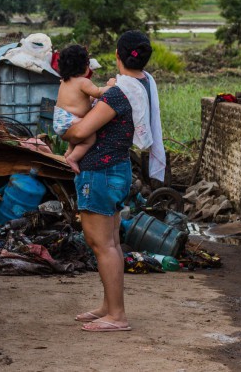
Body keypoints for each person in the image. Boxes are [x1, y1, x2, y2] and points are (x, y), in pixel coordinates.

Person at [62, 30, 166, 333]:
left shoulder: (120, 92)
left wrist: (64, 130)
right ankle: (109, 306)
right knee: (111, 243)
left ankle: (117, 315)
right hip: (117, 169)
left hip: (101, 173)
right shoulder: (143, 83)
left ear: (118, 55)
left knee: (101, 244)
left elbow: (81, 133)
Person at [54, 44, 112, 173]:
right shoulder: (83, 82)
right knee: (90, 138)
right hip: (70, 120)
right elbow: (98, 92)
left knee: (79, 131)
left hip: (60, 120)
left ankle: (69, 151)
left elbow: (82, 100)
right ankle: (73, 158)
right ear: (85, 66)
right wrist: (111, 86)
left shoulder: (65, 81)